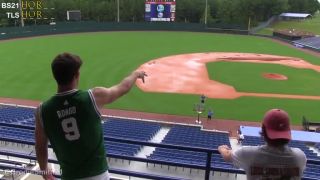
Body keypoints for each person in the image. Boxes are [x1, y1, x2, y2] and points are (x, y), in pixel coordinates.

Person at [35, 53, 147, 180]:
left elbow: (40, 147)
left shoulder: (42, 111)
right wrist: (135, 74)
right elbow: (124, 87)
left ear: (55, 76)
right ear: (76, 75)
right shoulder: (93, 96)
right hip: (98, 175)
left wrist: (45, 173)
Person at [218, 109, 307, 180]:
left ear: (263, 131)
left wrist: (222, 149)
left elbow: (227, 156)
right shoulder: (300, 157)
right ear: (288, 131)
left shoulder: (248, 153)